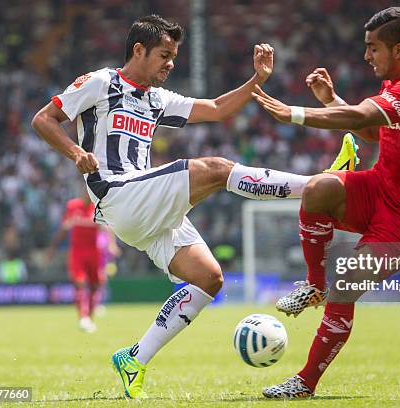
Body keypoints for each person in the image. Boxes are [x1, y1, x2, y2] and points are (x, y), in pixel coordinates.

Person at [31, 15, 356, 399]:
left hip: (145, 206)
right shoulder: (101, 82)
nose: (171, 64)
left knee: (209, 278)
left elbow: (217, 108)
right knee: (216, 169)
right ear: (139, 50)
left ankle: (135, 358)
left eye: (174, 56)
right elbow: (44, 119)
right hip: (118, 195)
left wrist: (257, 81)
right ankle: (321, 184)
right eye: (164, 55)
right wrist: (75, 151)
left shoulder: (156, 99)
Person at [252, 7, 400, 398]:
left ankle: (305, 382)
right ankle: (313, 286)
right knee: (318, 189)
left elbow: (362, 115)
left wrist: (295, 113)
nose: (367, 56)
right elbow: (369, 131)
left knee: (345, 282)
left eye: (373, 48)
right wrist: (331, 99)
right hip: (381, 188)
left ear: (398, 50)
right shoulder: (399, 82)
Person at [46, 189, 120, 333]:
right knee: (79, 282)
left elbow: (107, 227)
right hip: (77, 251)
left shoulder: (97, 206)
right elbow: (63, 228)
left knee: (95, 285)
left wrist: (112, 244)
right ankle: (83, 317)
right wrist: (52, 248)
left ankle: (89, 318)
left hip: (94, 251)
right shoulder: (73, 206)